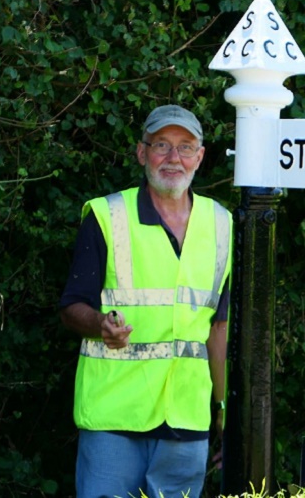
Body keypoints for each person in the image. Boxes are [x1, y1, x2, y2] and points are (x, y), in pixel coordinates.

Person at [59, 105, 232, 498]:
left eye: (186, 147)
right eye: (162, 146)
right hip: (114, 418)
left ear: (200, 157)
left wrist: (222, 410)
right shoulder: (107, 215)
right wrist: (100, 325)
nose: (174, 159)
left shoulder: (222, 224)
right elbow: (71, 307)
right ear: (142, 153)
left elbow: (217, 328)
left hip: (186, 423)